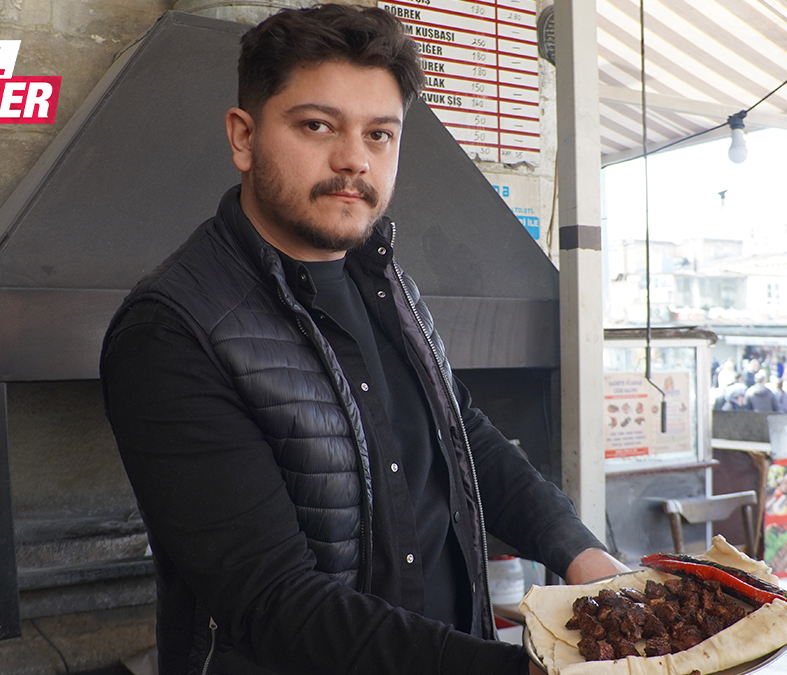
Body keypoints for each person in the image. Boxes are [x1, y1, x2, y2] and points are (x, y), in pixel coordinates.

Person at [99, 7, 625, 675]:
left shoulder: (382, 276)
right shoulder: (172, 330)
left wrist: (583, 553)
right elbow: (274, 600)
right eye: (317, 125)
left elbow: (463, 435)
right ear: (243, 137)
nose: (354, 158)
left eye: (379, 134)